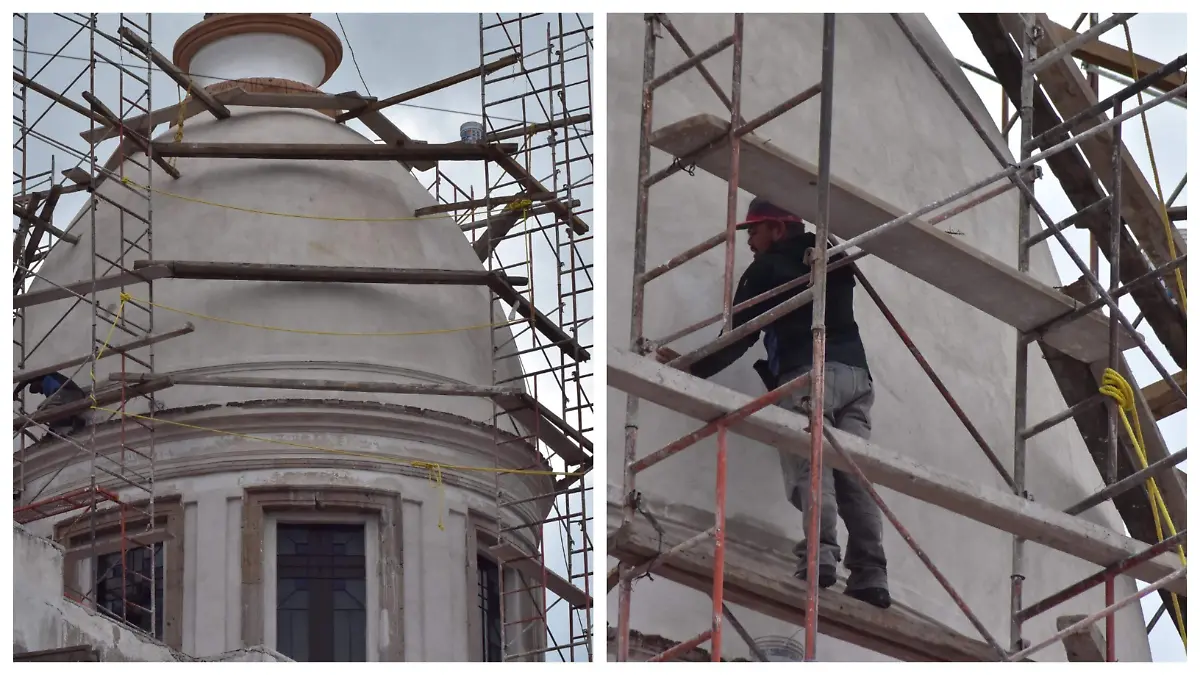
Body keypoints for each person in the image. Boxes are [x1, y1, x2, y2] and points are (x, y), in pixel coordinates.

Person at [657, 197, 890, 609]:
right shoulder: (831, 256)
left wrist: (689, 368)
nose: (749, 241)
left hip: (810, 376)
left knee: (811, 466)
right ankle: (871, 574)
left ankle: (821, 559)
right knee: (854, 475)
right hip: (857, 377)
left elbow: (741, 335)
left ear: (778, 229)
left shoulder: (766, 268)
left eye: (754, 230)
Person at [17, 371, 89, 438]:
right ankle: (73, 422)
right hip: (70, 396)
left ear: (36, 381)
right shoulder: (50, 392)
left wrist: (15, 392)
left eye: (38, 390)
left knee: (42, 407)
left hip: (71, 393)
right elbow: (51, 412)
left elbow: (26, 379)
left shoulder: (46, 375)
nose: (41, 392)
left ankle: (76, 420)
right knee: (49, 411)